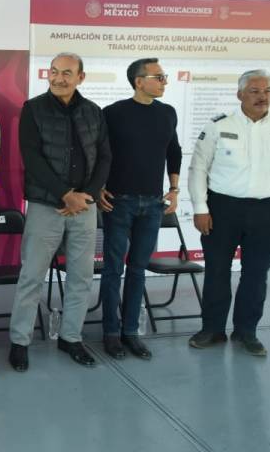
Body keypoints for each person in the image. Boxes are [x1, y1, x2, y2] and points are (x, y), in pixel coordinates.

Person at [187, 69, 270, 356]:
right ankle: (212, 330)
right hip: (222, 209)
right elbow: (198, 168)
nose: (261, 97)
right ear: (240, 94)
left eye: (266, 91)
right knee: (217, 271)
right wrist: (200, 208)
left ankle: (247, 332)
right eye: (254, 91)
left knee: (256, 275)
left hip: (265, 210)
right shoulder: (219, 125)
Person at [8, 53, 111, 371]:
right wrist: (65, 195)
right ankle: (20, 341)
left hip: (85, 208)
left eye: (67, 73)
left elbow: (105, 157)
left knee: (81, 277)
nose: (58, 78)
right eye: (54, 72)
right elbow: (32, 157)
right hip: (45, 206)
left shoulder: (93, 112)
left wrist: (86, 197)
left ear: (81, 77)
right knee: (32, 276)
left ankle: (71, 338)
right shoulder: (34, 109)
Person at [97, 58, 182, 361]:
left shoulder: (167, 113)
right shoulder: (114, 113)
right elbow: (100, 152)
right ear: (138, 81)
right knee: (112, 270)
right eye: (159, 76)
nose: (164, 81)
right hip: (119, 202)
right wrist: (98, 186)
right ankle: (110, 333)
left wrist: (173, 189)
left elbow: (173, 151)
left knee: (137, 270)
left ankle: (130, 332)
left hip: (153, 204)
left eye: (164, 76)